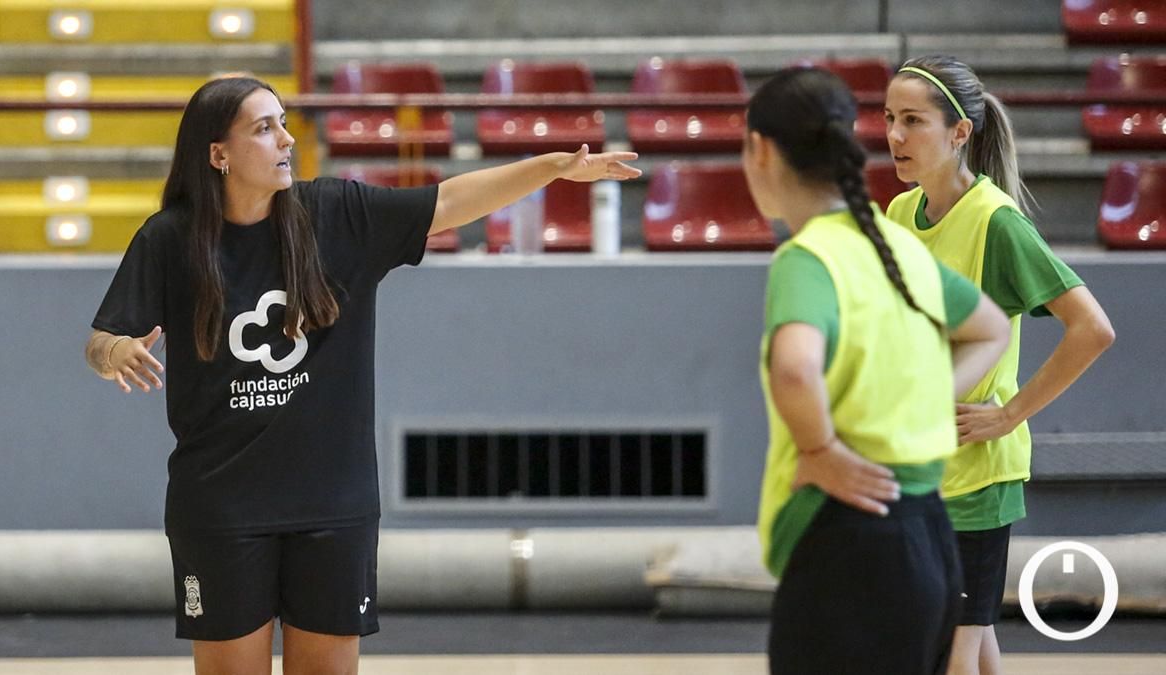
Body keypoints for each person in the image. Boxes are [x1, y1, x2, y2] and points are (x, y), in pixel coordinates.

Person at [83, 75, 639, 675]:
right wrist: (115, 352)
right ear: (218, 154)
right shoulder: (170, 240)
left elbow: (448, 202)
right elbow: (101, 339)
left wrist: (551, 167)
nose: (286, 139)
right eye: (265, 128)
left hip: (332, 503)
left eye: (284, 123)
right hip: (222, 506)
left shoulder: (336, 214)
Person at [746, 67, 1013, 674]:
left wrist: (818, 448)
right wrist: (921, 402)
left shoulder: (808, 257)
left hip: (847, 544)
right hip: (929, 535)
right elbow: (991, 327)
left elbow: (793, 370)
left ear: (759, 150)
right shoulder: (895, 245)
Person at [883, 55, 1116, 675]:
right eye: (888, 118)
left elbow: (1092, 329)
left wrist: (1009, 415)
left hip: (977, 480)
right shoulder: (900, 215)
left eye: (913, 120)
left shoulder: (996, 223)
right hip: (921, 470)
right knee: (974, 647)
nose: (895, 136)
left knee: (950, 652)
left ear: (960, 132)